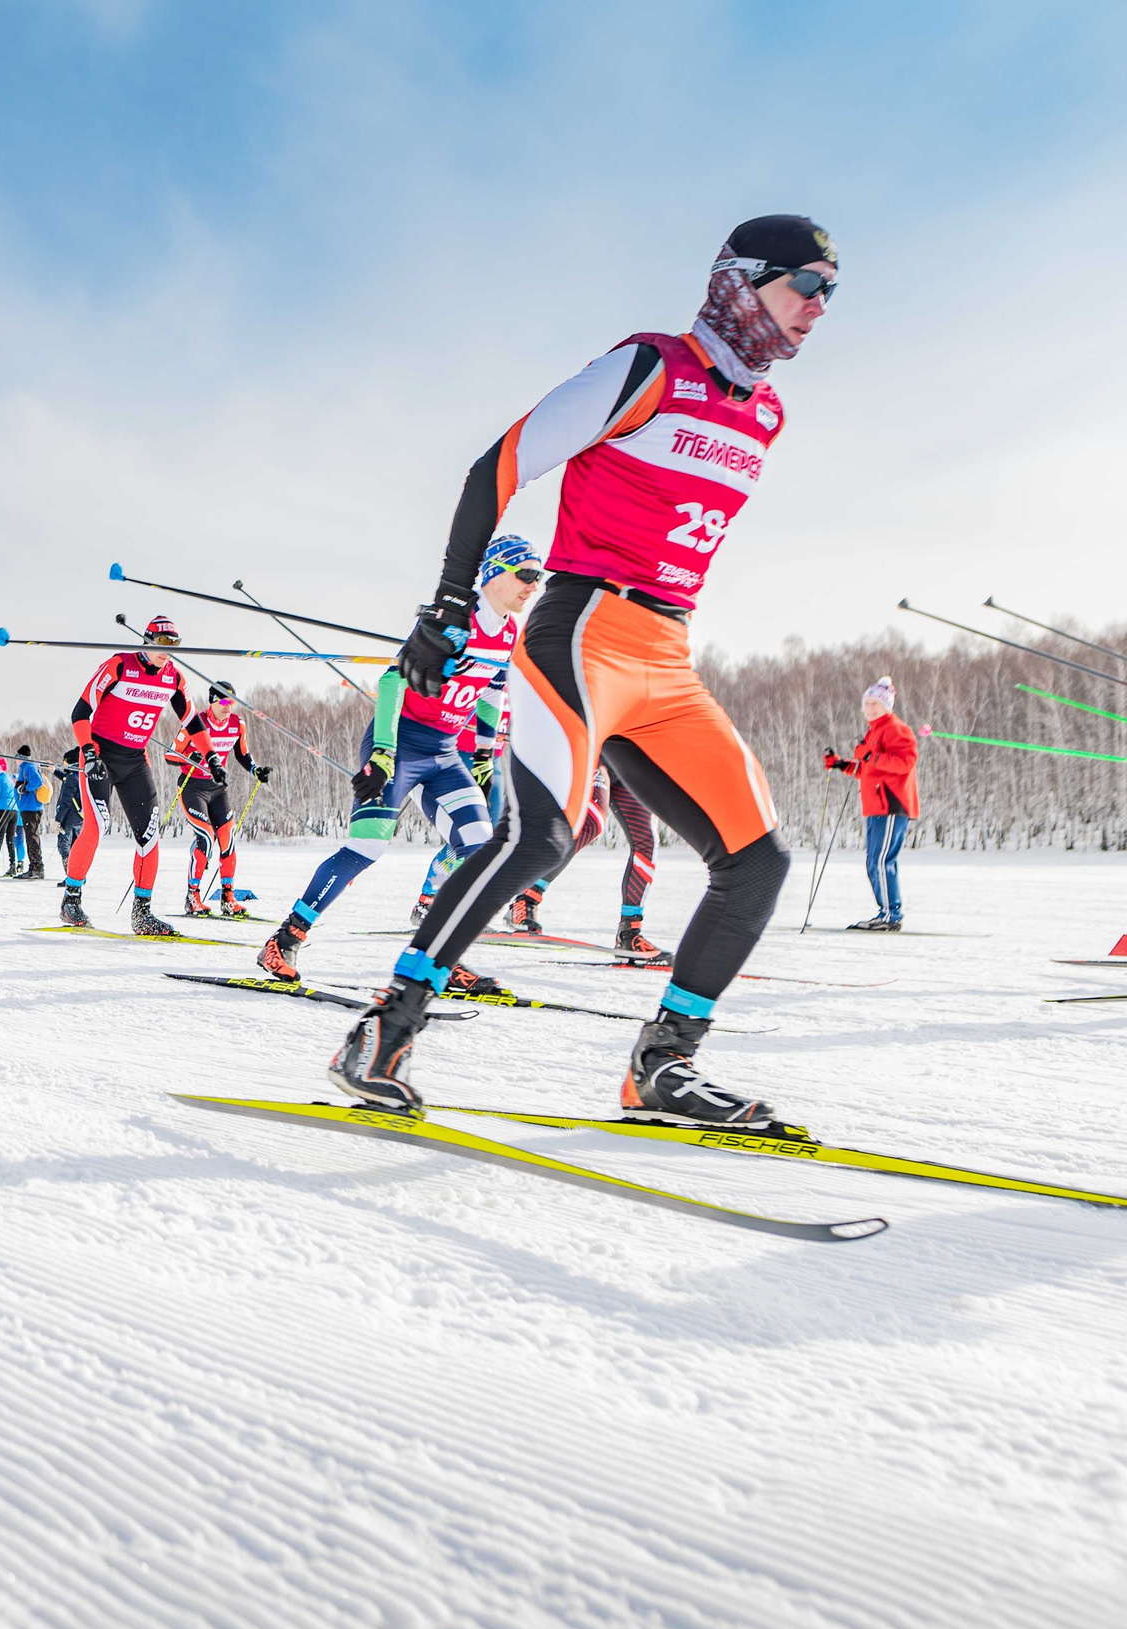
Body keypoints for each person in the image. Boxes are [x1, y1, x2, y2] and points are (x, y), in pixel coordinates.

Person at [331, 215, 838, 1122]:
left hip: (667, 657)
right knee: (541, 837)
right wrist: (449, 604)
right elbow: (503, 463)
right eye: (807, 283)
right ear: (742, 279)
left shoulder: (766, 413)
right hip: (580, 632)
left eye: (832, 291)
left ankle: (663, 1067)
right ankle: (385, 1025)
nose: (820, 306)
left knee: (758, 859)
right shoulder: (651, 366)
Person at [259, 538, 540, 985]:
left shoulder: (510, 634)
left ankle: (443, 957)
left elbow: (490, 693)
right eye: (526, 574)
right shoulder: (454, 621)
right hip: (403, 744)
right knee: (367, 848)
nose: (534, 585)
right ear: (494, 574)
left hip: (446, 752)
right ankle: (286, 938)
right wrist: (384, 753)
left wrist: (484, 755)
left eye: (538, 577)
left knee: (481, 851)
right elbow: (392, 683)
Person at [60, 617, 192, 935]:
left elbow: (192, 720)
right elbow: (80, 713)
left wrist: (212, 757)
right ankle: (71, 899)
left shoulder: (173, 677)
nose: (167, 651)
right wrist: (89, 753)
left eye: (174, 645)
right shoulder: (119, 664)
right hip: (100, 756)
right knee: (98, 824)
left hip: (135, 761)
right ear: (146, 642)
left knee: (149, 834)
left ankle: (142, 914)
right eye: (162, 643)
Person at [486, 762, 669, 961]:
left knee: (647, 841)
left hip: (634, 764)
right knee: (590, 824)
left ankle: (630, 933)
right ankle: (526, 899)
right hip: (602, 754)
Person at [172, 682, 272, 919]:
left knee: (227, 838)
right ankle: (192, 897)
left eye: (232, 702)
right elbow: (171, 753)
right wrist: (190, 755)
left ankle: (228, 898)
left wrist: (256, 771)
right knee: (206, 837)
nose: (229, 707)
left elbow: (242, 754)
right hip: (192, 787)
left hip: (217, 790)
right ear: (213, 702)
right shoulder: (196, 723)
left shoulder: (238, 724)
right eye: (224, 702)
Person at [827, 675, 918, 931]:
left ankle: (891, 915)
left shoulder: (896, 728)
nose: (868, 709)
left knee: (881, 861)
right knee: (873, 862)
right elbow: (867, 768)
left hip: (891, 803)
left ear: (886, 705)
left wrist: (869, 754)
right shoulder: (874, 731)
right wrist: (840, 764)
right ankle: (885, 912)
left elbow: (905, 763)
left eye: (874, 705)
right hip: (875, 806)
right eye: (866, 704)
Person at [13, 745, 46, 879]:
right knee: (30, 837)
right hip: (28, 807)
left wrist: (24, 788)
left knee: (32, 837)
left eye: (16, 757)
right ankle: (34, 866)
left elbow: (37, 781)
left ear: (21, 758)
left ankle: (37, 867)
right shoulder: (26, 767)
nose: (15, 760)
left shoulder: (28, 767)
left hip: (31, 808)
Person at [0, 760, 21, 875]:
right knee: (10, 839)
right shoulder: (9, 780)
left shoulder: (0, 778)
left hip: (3, 809)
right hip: (14, 810)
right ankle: (13, 866)